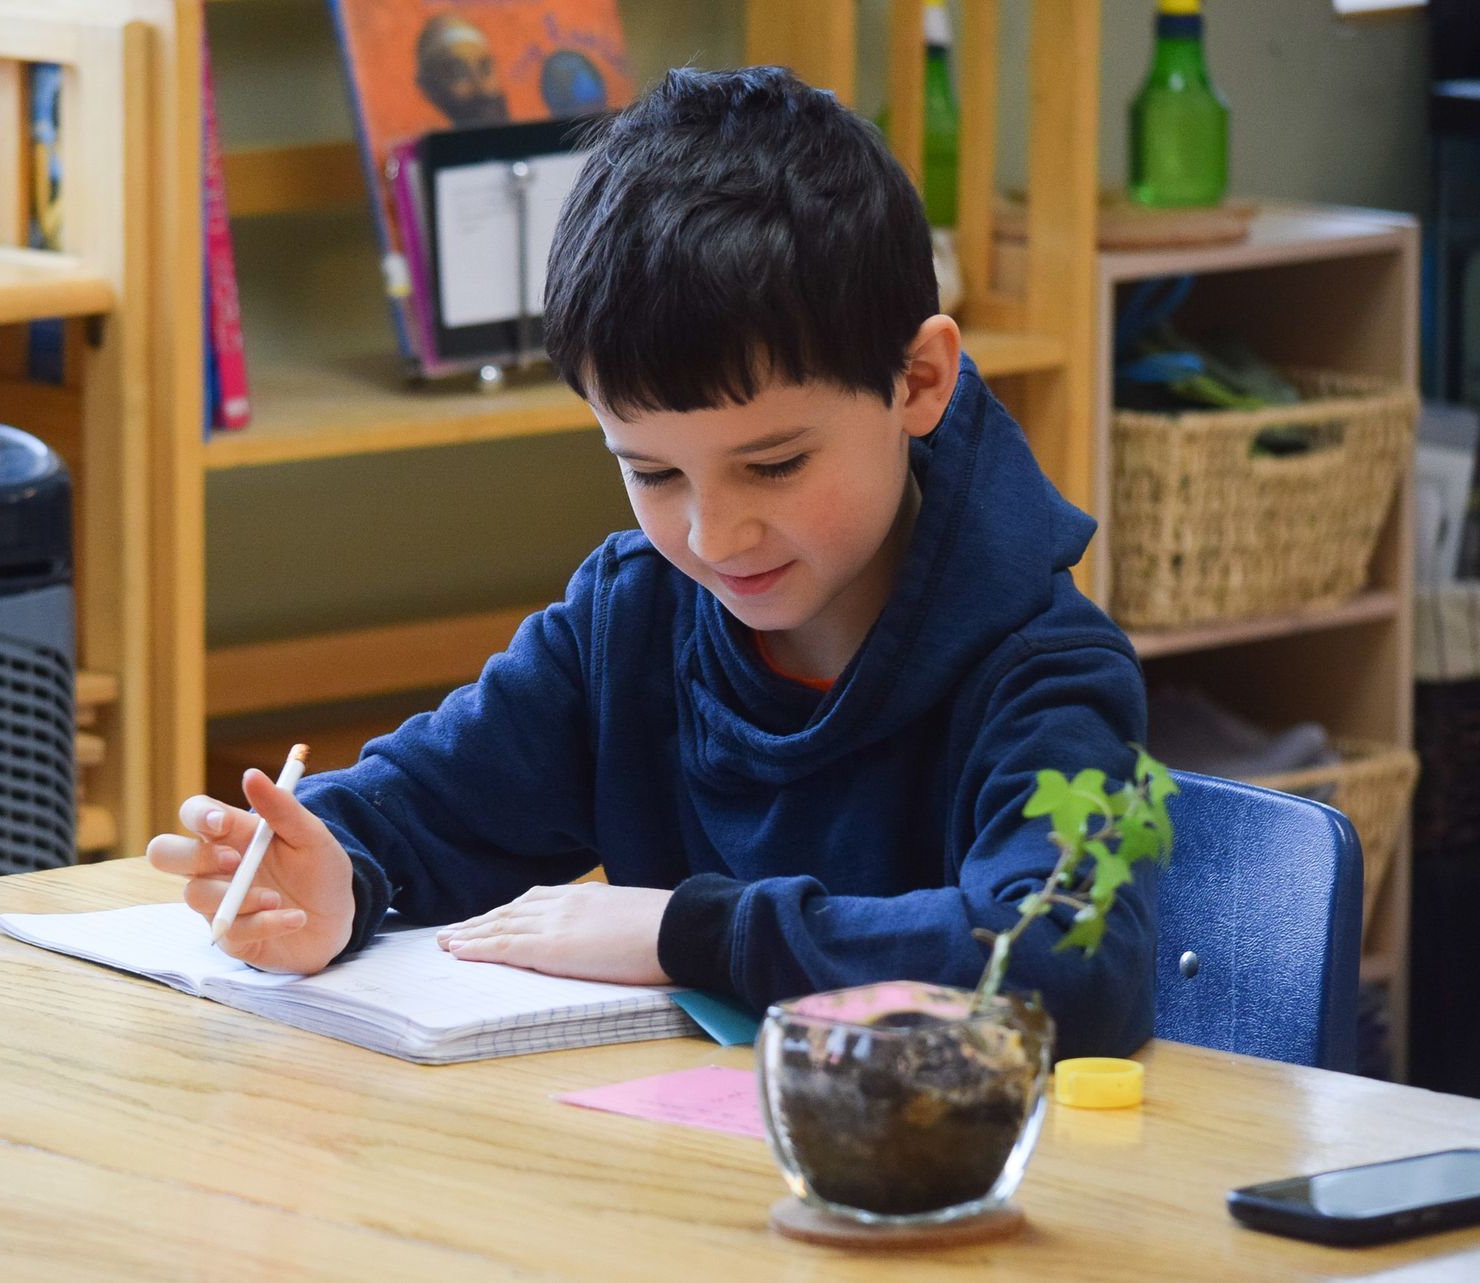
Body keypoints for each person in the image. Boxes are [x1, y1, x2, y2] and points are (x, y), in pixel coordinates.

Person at [149, 67, 1154, 1056]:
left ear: (920, 381)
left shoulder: (1044, 669)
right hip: (669, 1169)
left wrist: (686, 932)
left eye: (774, 463)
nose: (715, 536)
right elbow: (422, 807)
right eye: (654, 472)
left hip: (944, 1197)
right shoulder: (628, 622)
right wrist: (338, 871)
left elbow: (1068, 960)